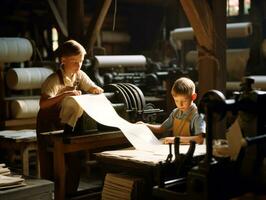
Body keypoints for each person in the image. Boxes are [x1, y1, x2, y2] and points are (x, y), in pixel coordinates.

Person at [36, 39, 103, 196]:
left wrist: (95, 89)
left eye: (80, 61)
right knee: (52, 165)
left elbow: (91, 86)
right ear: (63, 60)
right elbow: (43, 104)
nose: (78, 65)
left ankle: (70, 195)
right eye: (74, 61)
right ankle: (54, 196)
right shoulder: (53, 80)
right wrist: (64, 94)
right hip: (49, 126)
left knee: (74, 162)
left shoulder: (79, 75)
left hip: (69, 128)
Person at [143, 77, 205, 144]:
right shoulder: (175, 112)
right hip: (177, 149)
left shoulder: (197, 115)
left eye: (184, 101)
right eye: (176, 100)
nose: (180, 105)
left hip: (192, 151)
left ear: (193, 97)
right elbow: (160, 128)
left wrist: (176, 139)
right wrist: (145, 125)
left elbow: (200, 139)